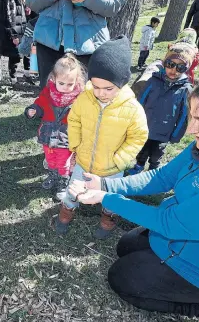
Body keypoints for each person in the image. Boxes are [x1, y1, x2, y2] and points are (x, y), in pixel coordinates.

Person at [68, 65, 199, 322]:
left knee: (122, 278)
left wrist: (107, 199)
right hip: (182, 234)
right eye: (192, 117)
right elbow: (162, 177)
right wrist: (106, 185)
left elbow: (170, 223)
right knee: (125, 246)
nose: (191, 129)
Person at [55, 36, 148, 239]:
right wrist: (76, 144)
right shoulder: (85, 99)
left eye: (108, 89)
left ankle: (108, 218)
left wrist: (120, 159)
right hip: (84, 162)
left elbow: (138, 136)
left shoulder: (132, 109)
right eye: (95, 86)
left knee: (110, 197)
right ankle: (66, 212)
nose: (101, 93)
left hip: (112, 168)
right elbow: (75, 120)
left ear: (122, 83)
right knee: (73, 190)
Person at [25, 0, 127, 89]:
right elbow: (30, 0)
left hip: (89, 46)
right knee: (49, 98)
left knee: (86, 99)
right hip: (48, 45)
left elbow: (116, 2)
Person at [25, 54, 87, 196]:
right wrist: (33, 110)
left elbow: (85, 117)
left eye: (70, 84)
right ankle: (53, 175)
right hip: (48, 133)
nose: (65, 88)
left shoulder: (80, 98)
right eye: (61, 83)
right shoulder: (48, 92)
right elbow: (40, 103)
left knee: (63, 161)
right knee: (50, 158)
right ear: (54, 79)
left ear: (76, 81)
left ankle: (63, 181)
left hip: (67, 137)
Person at [129, 43, 194, 175]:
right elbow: (140, 103)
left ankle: (154, 170)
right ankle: (139, 164)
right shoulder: (153, 81)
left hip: (164, 132)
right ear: (165, 63)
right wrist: (134, 122)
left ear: (185, 69)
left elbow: (184, 115)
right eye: (170, 64)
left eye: (180, 67)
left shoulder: (185, 89)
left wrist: (176, 134)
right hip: (145, 127)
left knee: (157, 153)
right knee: (142, 149)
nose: (174, 70)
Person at [0, 0, 34, 85]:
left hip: (20, 30)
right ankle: (13, 78)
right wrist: (13, 35)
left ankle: (25, 74)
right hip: (15, 32)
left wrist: (25, 11)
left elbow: (17, 12)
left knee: (25, 51)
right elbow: (9, 17)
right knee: (15, 55)